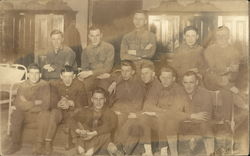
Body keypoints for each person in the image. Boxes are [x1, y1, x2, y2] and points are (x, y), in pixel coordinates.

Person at [139, 63, 209, 156]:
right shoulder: (156, 87)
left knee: (165, 119)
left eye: (168, 78)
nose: (165, 80)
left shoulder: (179, 90)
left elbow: (175, 112)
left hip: (175, 121)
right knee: (143, 117)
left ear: (173, 79)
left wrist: (158, 112)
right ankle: (148, 152)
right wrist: (161, 111)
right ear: (159, 77)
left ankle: (164, 151)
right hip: (159, 119)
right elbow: (147, 106)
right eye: (163, 77)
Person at [4, 63, 52, 155]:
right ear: (28, 74)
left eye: (37, 73)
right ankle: (15, 144)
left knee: (45, 113)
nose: (34, 76)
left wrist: (26, 104)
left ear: (40, 75)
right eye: (31, 73)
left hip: (38, 115)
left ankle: (39, 145)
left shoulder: (45, 85)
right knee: (17, 113)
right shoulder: (23, 85)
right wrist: (35, 102)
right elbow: (18, 103)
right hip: (26, 115)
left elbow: (46, 105)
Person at [44, 65, 88, 155]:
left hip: (72, 112)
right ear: (61, 76)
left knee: (74, 115)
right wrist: (58, 103)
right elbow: (51, 101)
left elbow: (84, 102)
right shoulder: (55, 84)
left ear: (74, 76)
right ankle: (47, 142)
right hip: (60, 111)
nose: (67, 80)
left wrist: (71, 103)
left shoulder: (80, 85)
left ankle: (78, 144)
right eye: (65, 77)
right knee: (54, 113)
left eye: (70, 77)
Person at [106, 60, 147, 155]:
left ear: (133, 72)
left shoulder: (138, 85)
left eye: (127, 71)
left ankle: (119, 149)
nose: (124, 74)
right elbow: (111, 102)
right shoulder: (118, 82)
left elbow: (138, 105)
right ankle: (118, 149)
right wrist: (110, 92)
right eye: (122, 71)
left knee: (123, 120)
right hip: (116, 109)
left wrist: (122, 112)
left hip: (129, 112)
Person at [70, 87, 117, 156]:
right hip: (85, 140)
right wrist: (79, 131)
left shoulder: (110, 113)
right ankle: (82, 152)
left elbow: (111, 125)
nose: (98, 102)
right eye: (96, 99)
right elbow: (71, 120)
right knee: (80, 128)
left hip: (100, 142)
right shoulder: (86, 110)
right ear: (92, 100)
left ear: (105, 100)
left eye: (101, 99)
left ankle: (87, 153)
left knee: (106, 134)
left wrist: (94, 133)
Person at [179, 71, 214, 156]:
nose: (188, 86)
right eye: (185, 83)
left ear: (197, 82)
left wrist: (185, 116)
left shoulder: (205, 93)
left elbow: (206, 115)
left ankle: (211, 153)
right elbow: (174, 113)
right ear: (182, 83)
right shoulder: (179, 93)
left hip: (201, 124)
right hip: (184, 125)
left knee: (206, 128)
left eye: (191, 82)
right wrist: (192, 116)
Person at [203, 26, 243, 91]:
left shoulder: (235, 51)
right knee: (210, 74)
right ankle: (228, 86)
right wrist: (227, 68)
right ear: (215, 37)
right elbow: (212, 68)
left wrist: (226, 73)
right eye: (218, 35)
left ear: (229, 36)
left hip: (228, 81)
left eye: (224, 35)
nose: (221, 38)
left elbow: (234, 71)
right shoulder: (209, 50)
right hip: (211, 83)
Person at [78, 26, 115, 91]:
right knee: (82, 89)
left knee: (103, 91)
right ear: (89, 36)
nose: (95, 39)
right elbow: (84, 69)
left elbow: (108, 68)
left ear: (101, 35)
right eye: (92, 36)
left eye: (97, 35)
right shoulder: (85, 51)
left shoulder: (109, 48)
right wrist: (92, 74)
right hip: (91, 78)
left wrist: (90, 72)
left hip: (105, 77)